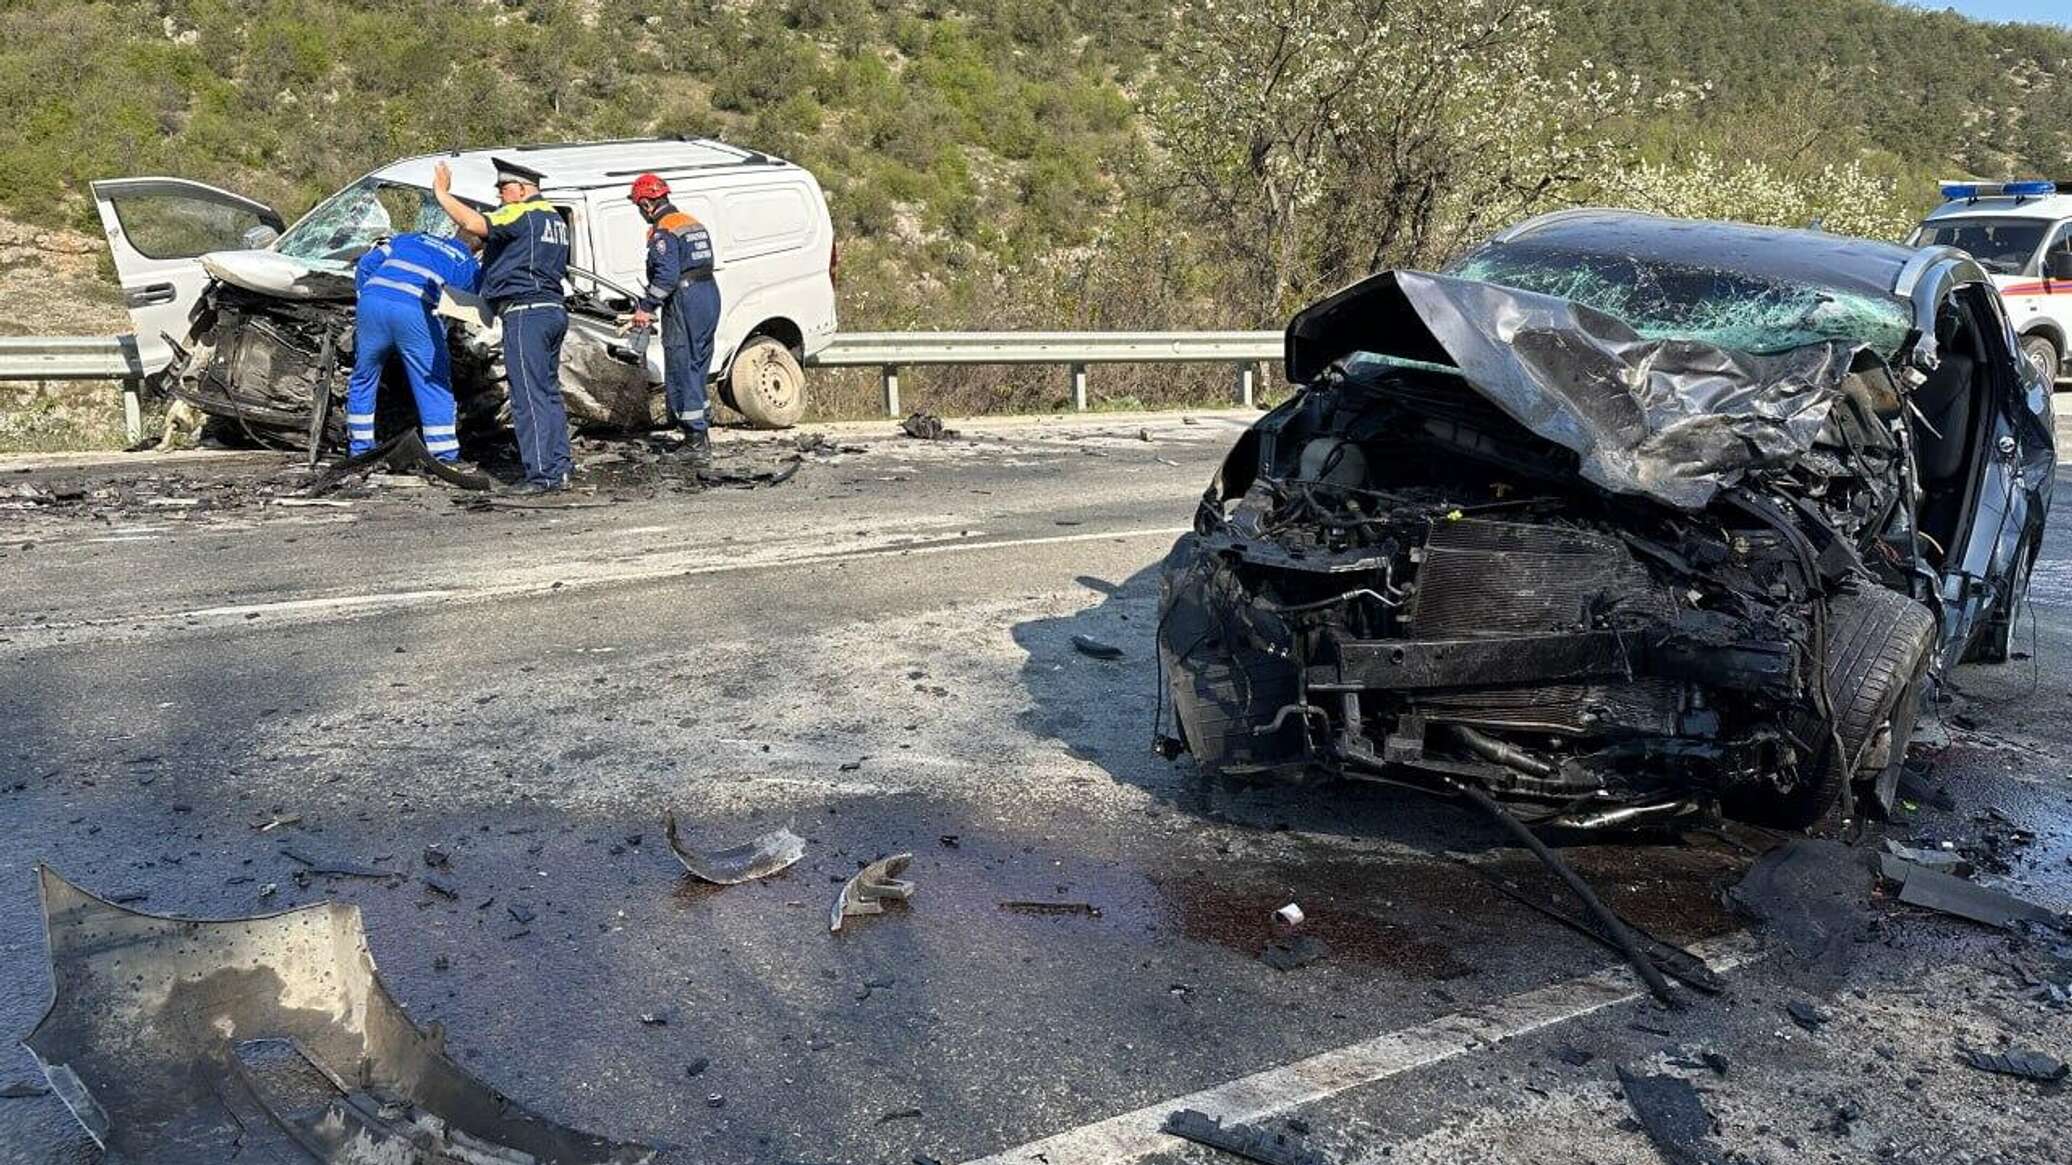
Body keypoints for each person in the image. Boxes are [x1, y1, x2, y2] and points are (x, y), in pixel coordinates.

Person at [433, 157, 572, 493]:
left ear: (522, 189)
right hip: (551, 309)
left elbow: (476, 224)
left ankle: (541, 477)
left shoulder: (521, 211)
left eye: (503, 189)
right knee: (548, 393)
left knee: (527, 398)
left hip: (525, 312)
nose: (500, 196)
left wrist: (442, 195)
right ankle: (558, 468)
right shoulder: (554, 219)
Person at [346, 230, 482, 463]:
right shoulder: (465, 261)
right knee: (433, 381)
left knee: (363, 378)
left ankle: (360, 450)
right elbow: (465, 304)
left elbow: (367, 263)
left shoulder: (411, 238)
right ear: (477, 247)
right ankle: (444, 456)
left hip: (372, 302)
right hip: (414, 310)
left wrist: (364, 296)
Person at [627, 172, 721, 469]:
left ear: (645, 203)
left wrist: (646, 307)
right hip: (707, 294)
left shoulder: (663, 230)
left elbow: (666, 276)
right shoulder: (689, 221)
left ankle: (695, 441)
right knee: (698, 363)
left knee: (683, 365)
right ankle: (699, 431)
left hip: (685, 299)